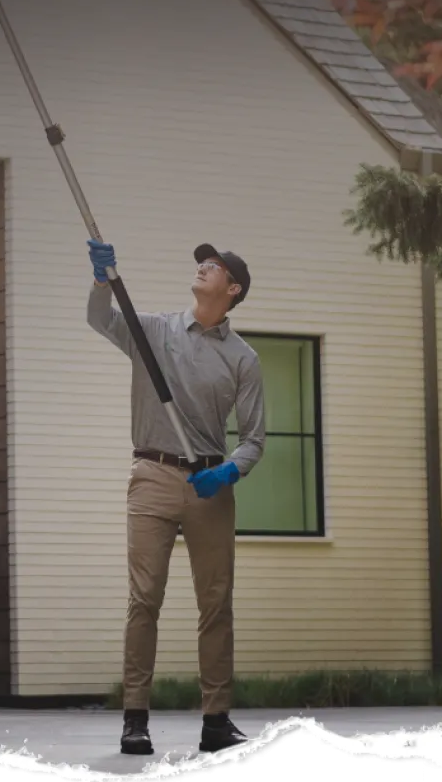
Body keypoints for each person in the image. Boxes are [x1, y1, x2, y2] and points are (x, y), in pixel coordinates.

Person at [85, 239, 264, 756]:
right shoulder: (155, 330)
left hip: (210, 485)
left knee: (216, 605)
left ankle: (216, 720)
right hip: (152, 476)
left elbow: (254, 437)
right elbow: (102, 319)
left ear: (232, 290)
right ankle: (135, 718)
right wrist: (101, 281)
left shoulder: (243, 359)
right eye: (201, 262)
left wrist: (230, 470)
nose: (204, 266)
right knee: (144, 600)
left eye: (216, 266)